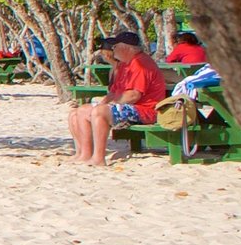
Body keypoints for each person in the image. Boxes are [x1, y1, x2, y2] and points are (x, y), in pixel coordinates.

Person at [66, 31, 167, 166]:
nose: (113, 50)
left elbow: (134, 95)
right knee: (77, 112)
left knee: (100, 112)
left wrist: (106, 105)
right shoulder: (126, 64)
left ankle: (98, 158)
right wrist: (102, 102)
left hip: (145, 110)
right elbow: (114, 92)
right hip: (132, 106)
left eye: (116, 46)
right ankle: (84, 154)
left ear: (126, 47)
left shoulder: (141, 64)